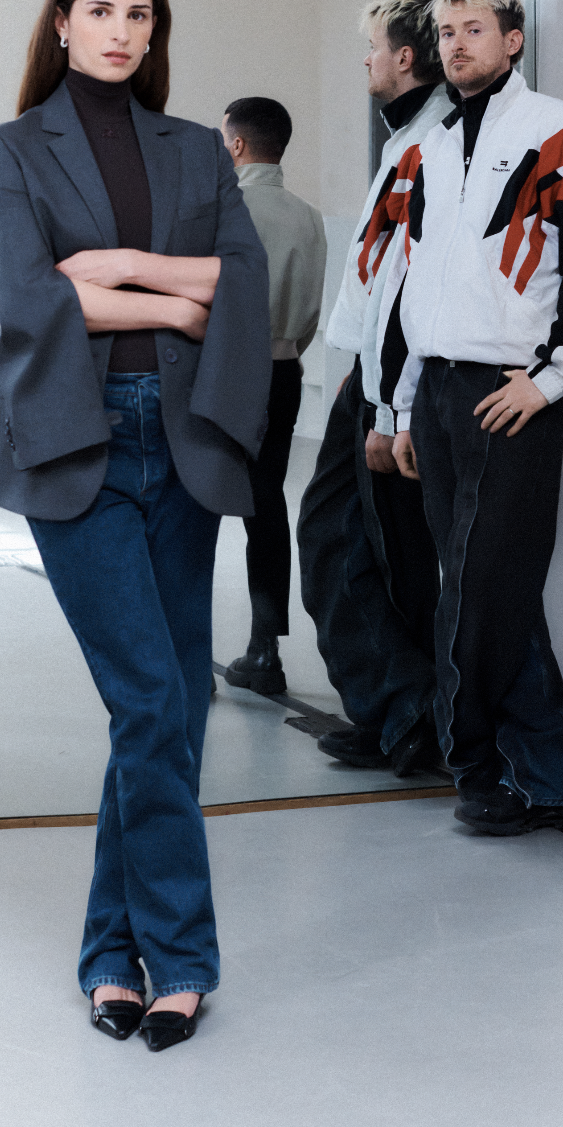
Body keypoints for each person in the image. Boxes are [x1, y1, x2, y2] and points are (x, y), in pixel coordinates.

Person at [0, 0, 271, 1050]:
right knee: (150, 700)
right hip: (75, 442)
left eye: (139, 13)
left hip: (182, 443)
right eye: (100, 10)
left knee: (170, 706)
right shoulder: (10, 147)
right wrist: (177, 299)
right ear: (61, 23)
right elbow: (25, 297)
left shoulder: (194, 149)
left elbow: (245, 282)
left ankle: (109, 952)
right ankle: (179, 956)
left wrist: (119, 271)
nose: (121, 31)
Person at [388, 0, 563, 834]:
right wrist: (404, 404)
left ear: (512, 40)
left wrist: (554, 379)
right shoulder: (432, 146)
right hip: (438, 391)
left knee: (481, 587)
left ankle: (473, 766)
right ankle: (547, 778)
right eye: (446, 32)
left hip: (509, 390)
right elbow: (414, 281)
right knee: (493, 586)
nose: (456, 44)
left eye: (473, 29)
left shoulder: (558, 132)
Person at [296, 0, 448, 776]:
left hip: (397, 381)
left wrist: (395, 401)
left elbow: (412, 285)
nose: (366, 59)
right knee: (345, 539)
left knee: (379, 548)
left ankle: (410, 709)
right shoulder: (406, 140)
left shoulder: (434, 145)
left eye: (374, 47)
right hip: (372, 373)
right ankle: (392, 708)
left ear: (404, 58)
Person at [220, 96, 325, 696]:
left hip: (223, 374)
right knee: (266, 505)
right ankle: (266, 650)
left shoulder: (222, 209)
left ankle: (185, 655)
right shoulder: (308, 217)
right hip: (283, 372)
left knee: (195, 505)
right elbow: (309, 314)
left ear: (237, 145)